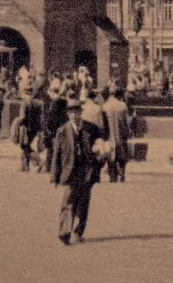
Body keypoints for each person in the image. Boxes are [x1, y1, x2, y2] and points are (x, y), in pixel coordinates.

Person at [51, 98, 100, 245]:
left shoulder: (90, 128)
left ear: (81, 113)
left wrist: (100, 150)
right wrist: (55, 175)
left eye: (76, 112)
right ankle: (64, 233)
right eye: (71, 113)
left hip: (86, 171)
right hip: (70, 171)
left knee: (83, 203)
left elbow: (102, 141)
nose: (74, 115)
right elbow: (56, 154)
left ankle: (78, 232)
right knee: (68, 201)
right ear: (68, 114)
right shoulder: (62, 131)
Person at [103, 84, 131, 183]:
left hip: (109, 136)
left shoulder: (104, 106)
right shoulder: (122, 105)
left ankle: (112, 176)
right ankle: (122, 174)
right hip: (121, 134)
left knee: (111, 156)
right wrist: (127, 133)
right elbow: (127, 121)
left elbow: (103, 124)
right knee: (122, 155)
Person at [17, 85, 43, 172]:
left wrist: (17, 125)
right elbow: (41, 117)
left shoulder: (24, 102)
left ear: (25, 92)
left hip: (26, 127)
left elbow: (22, 117)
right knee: (27, 145)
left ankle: (38, 161)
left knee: (24, 146)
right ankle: (25, 167)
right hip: (35, 128)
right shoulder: (39, 103)